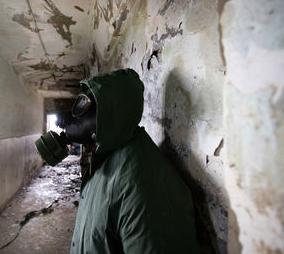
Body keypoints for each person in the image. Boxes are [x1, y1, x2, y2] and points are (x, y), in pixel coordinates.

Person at [69, 68, 200, 253]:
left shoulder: (142, 179)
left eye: (87, 103)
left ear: (113, 111)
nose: (78, 114)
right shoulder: (108, 156)